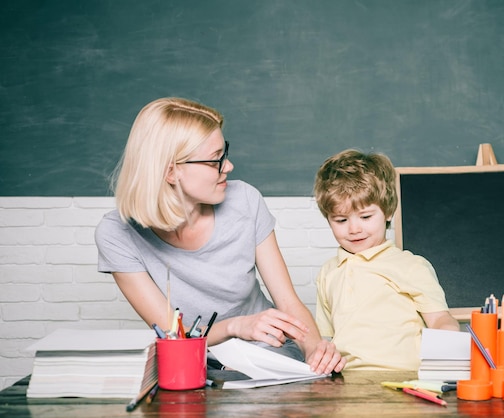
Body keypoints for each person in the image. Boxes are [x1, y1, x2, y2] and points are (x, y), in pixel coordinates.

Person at [95, 97, 344, 375]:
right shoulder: (117, 234)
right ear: (170, 171)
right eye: (215, 160)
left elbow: (288, 302)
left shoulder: (245, 200)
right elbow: (173, 336)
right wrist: (236, 326)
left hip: (267, 358)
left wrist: (313, 349)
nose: (228, 166)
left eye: (224, 153)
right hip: (193, 365)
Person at [313, 149, 459, 371]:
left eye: (366, 217)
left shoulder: (411, 266)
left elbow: (440, 319)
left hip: (405, 378)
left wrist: (447, 343)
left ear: (388, 211)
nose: (354, 229)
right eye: (341, 220)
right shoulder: (328, 272)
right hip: (348, 383)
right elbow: (325, 338)